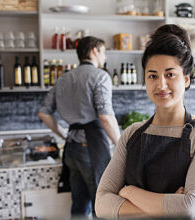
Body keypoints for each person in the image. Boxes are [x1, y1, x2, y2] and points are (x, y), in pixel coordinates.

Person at [95, 24, 195, 218]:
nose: (161, 84)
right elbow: (101, 204)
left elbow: (188, 208)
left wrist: (129, 192)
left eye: (170, 74)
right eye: (152, 76)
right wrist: (167, 204)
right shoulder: (131, 134)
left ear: (186, 79)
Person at [38, 36, 120, 217]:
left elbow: (44, 113)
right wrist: (122, 145)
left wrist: (63, 133)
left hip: (71, 150)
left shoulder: (62, 79)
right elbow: (105, 117)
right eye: (103, 52)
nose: (105, 57)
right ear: (94, 51)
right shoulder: (100, 76)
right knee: (103, 207)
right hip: (91, 150)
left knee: (79, 205)